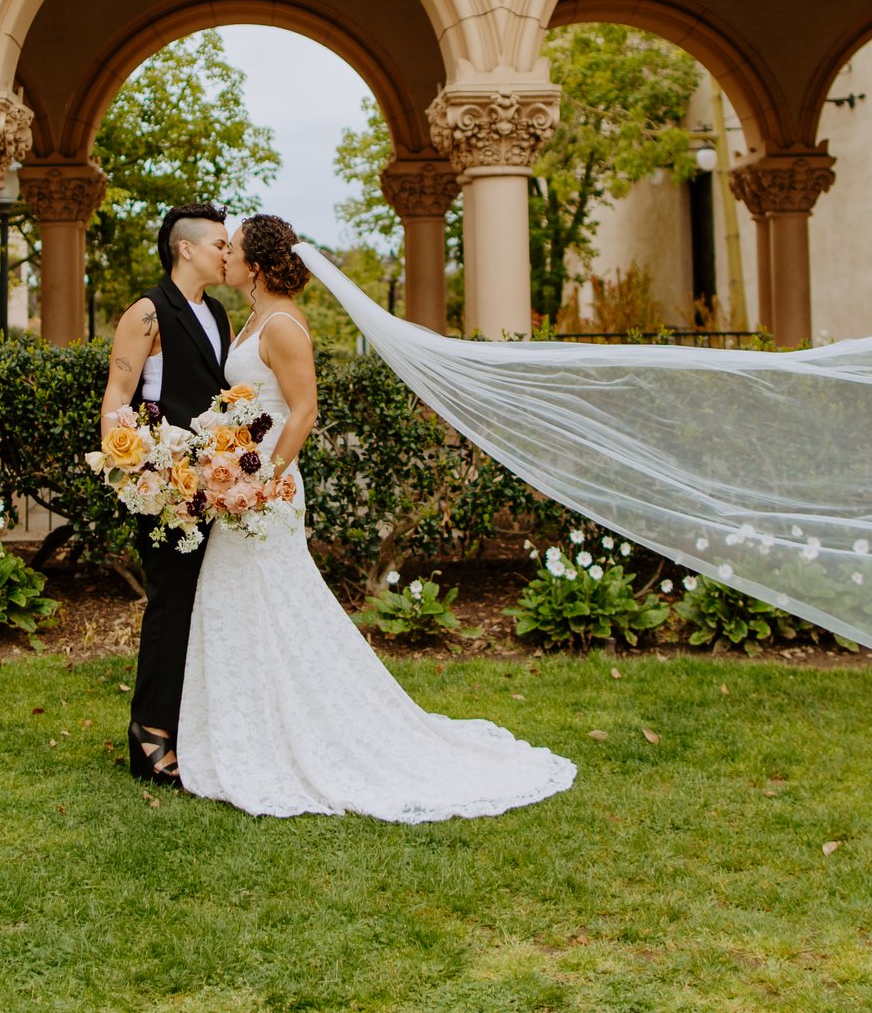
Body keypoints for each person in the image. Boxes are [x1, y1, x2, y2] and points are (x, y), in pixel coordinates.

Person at [176, 214, 577, 821]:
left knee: (275, 598)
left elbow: (304, 411)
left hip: (268, 490)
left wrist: (263, 480)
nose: (223, 257)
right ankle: (247, 730)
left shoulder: (282, 324)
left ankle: (301, 734)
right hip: (243, 483)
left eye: (231, 249)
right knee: (243, 601)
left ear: (254, 264)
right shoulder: (252, 319)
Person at [98, 202, 232, 785]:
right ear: (187, 248)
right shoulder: (147, 313)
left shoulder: (220, 313)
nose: (228, 253)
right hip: (164, 494)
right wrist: (135, 478)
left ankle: (196, 730)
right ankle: (149, 737)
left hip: (215, 487)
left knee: (208, 610)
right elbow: (115, 401)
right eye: (220, 244)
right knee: (170, 609)